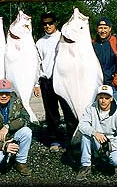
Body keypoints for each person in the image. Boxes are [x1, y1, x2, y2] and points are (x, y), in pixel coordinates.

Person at [33, 12, 79, 152]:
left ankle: (73, 139)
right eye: (44, 24)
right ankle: (54, 139)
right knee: (51, 112)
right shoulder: (39, 42)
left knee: (69, 110)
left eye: (50, 23)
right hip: (46, 81)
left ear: (56, 23)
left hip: (64, 79)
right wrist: (36, 84)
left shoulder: (64, 38)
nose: (47, 26)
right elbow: (37, 64)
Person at [76, 85, 117, 180]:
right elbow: (82, 125)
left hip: (111, 142)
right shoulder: (90, 108)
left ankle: (109, 161)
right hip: (96, 138)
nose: (103, 101)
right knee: (85, 134)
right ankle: (86, 166)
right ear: (97, 97)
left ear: (112, 99)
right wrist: (94, 133)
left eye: (107, 98)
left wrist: (109, 146)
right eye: (101, 97)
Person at [92, 17, 117, 107]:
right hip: (96, 85)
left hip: (113, 85)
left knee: (114, 111)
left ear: (110, 29)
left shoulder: (116, 42)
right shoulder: (92, 44)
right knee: (96, 111)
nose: (103, 31)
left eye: (105, 28)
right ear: (97, 29)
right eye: (100, 28)